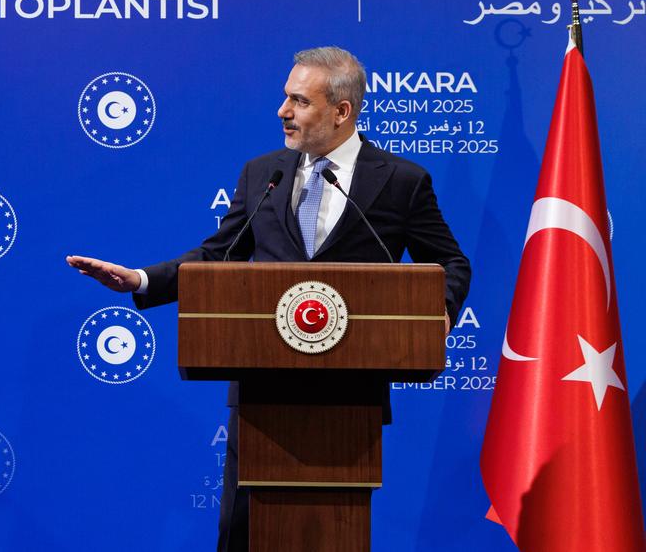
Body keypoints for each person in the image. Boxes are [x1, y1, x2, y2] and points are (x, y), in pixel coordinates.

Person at [67, 46, 470, 552]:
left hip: (349, 398)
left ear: (342, 111)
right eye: (286, 98)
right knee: (244, 535)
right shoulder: (264, 174)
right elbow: (218, 257)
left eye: (299, 101)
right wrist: (142, 280)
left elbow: (452, 263)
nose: (283, 111)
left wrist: (439, 314)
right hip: (262, 396)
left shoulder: (401, 182)